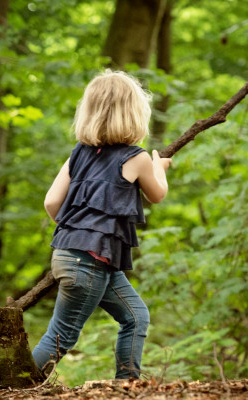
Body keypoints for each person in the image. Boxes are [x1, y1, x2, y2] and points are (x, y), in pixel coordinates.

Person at [32, 70, 172, 380]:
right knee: (61, 337)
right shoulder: (136, 158)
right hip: (90, 262)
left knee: (136, 316)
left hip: (77, 255)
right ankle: (14, 386)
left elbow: (51, 203)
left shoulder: (78, 155)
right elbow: (157, 194)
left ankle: (127, 385)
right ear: (134, 113)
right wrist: (159, 166)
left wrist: (78, 232)